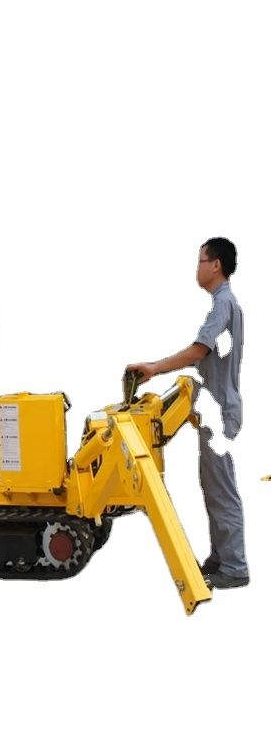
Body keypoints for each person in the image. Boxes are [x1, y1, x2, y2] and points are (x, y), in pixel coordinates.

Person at [126, 237, 248, 589]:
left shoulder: (223, 305)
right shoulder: (226, 305)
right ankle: (221, 557)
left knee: (221, 490)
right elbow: (209, 359)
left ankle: (235, 567)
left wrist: (153, 368)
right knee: (213, 487)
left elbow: (198, 351)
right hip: (218, 411)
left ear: (216, 265)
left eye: (200, 261)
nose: (197, 268)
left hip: (220, 414)